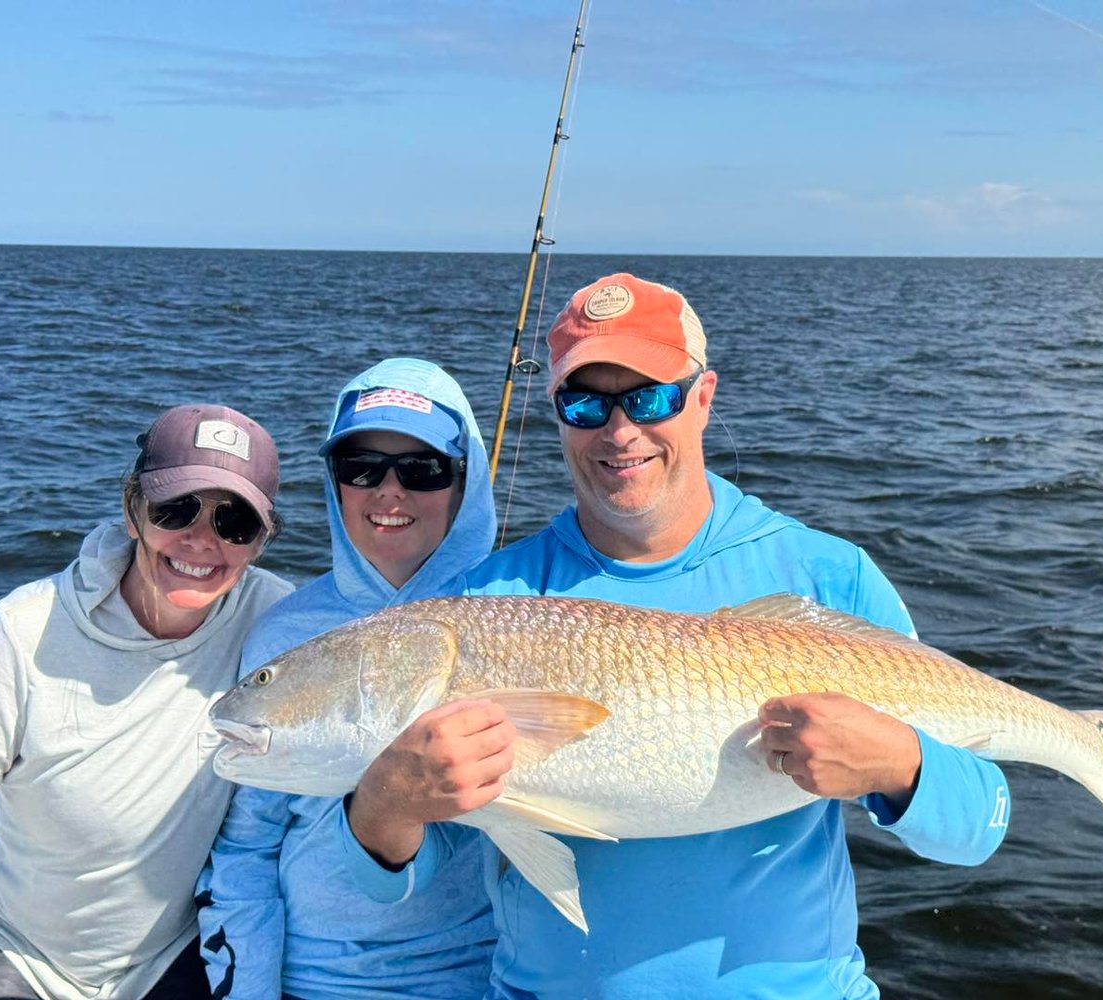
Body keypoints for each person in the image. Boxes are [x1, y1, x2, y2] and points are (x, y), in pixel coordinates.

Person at [344, 273, 1013, 999]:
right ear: (558, 413)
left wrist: (901, 764)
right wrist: (383, 805)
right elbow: (400, 884)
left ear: (703, 397)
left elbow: (978, 828)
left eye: (649, 397)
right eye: (585, 403)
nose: (619, 430)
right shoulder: (483, 603)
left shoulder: (826, 576)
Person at [0, 405, 292, 1000]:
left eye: (234, 521)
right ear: (131, 509)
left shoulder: (279, 624)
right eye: (176, 508)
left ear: (261, 541)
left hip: (173, 956)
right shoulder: (21, 633)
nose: (201, 540)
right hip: (12, 949)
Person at [198, 358, 498, 1000]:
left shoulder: (518, 610)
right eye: (360, 468)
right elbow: (246, 850)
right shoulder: (285, 631)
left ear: (465, 482)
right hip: (312, 979)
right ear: (334, 484)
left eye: (421, 470)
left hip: (479, 976)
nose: (388, 494)